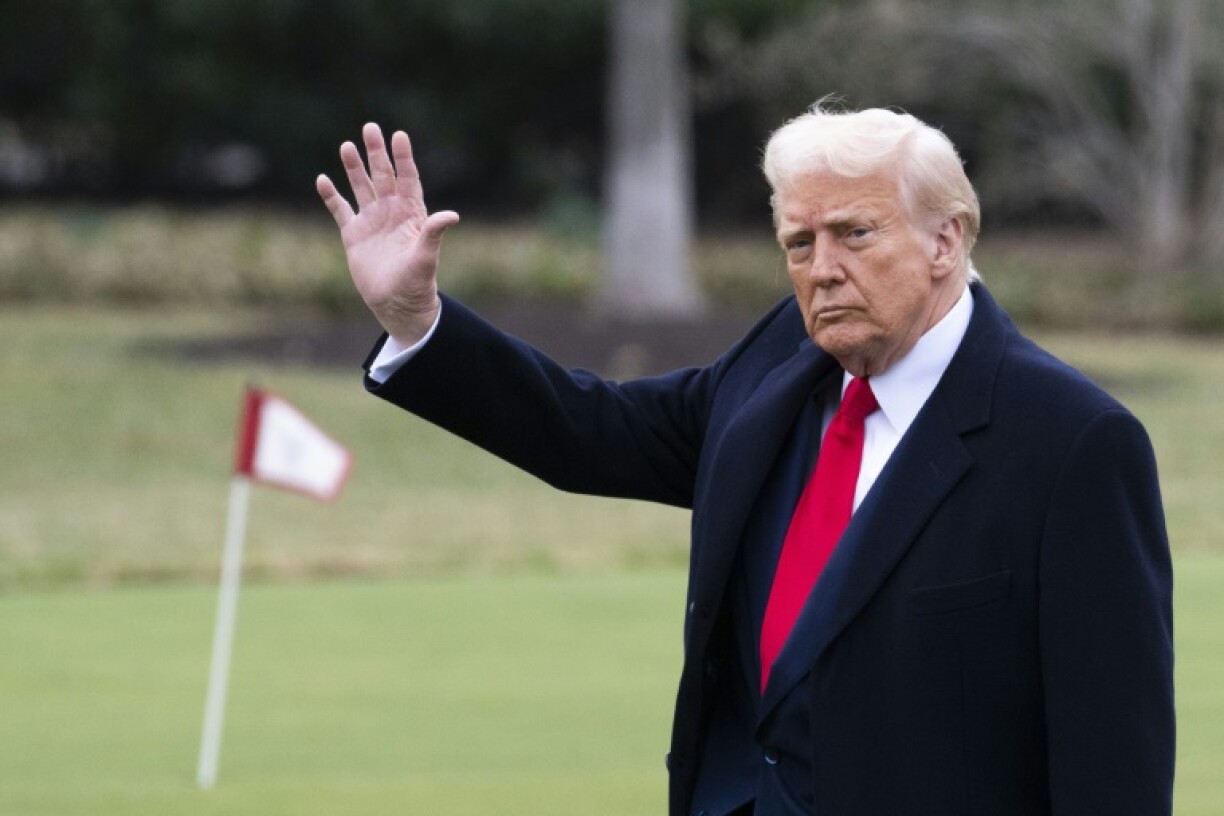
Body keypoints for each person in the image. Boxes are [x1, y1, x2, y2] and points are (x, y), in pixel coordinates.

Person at [316, 104, 1174, 815]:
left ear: (946, 240)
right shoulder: (779, 364)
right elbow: (596, 430)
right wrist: (417, 318)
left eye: (855, 233)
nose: (822, 270)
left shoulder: (1072, 442)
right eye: (800, 245)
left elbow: (1115, 764)